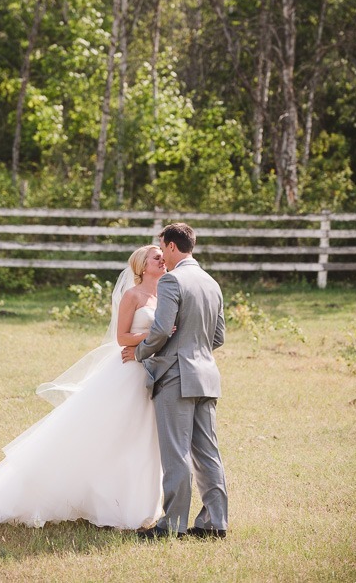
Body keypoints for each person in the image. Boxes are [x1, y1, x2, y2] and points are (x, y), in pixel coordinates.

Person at [0, 245, 166, 530]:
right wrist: (152, 334)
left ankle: (134, 504)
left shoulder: (164, 293)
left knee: (141, 439)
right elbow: (122, 337)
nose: (162, 260)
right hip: (127, 373)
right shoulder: (132, 295)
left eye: (163, 256)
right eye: (156, 257)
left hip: (151, 372)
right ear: (141, 266)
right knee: (107, 435)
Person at [122, 223, 228, 539]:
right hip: (207, 375)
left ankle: (173, 525)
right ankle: (214, 524)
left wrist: (139, 351)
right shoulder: (212, 283)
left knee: (176, 452)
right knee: (208, 452)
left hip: (176, 376)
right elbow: (218, 336)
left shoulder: (172, 280)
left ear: (170, 246)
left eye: (161, 248)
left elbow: (160, 330)